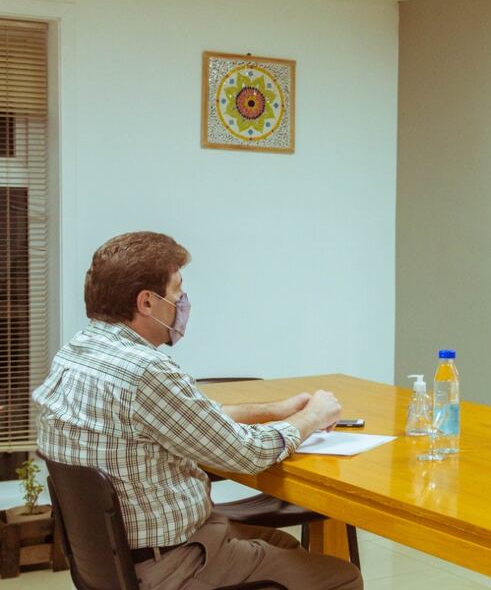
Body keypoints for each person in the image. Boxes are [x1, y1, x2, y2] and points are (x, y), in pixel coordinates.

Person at [33, 232, 363, 590]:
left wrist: (275, 410)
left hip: (114, 561)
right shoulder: (145, 371)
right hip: (173, 565)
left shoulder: (77, 354)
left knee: (283, 545)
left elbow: (191, 418)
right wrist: (312, 416)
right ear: (146, 302)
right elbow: (247, 454)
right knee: (342, 577)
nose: (181, 301)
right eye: (177, 291)